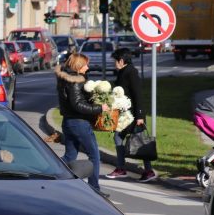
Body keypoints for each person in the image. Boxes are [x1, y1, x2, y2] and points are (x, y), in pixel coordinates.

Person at [55, 53, 109, 196]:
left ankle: (50, 171)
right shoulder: (76, 81)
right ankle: (94, 189)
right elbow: (78, 105)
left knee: (69, 157)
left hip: (68, 122)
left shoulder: (64, 79)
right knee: (94, 156)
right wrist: (99, 108)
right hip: (79, 123)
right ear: (79, 67)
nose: (88, 67)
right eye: (85, 64)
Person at [107, 48, 157, 182]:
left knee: (137, 141)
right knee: (135, 141)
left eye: (115, 61)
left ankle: (124, 168)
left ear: (121, 61)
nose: (114, 64)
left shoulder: (131, 73)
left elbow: (138, 95)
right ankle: (146, 170)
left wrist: (140, 116)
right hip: (126, 114)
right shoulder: (123, 72)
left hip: (134, 115)